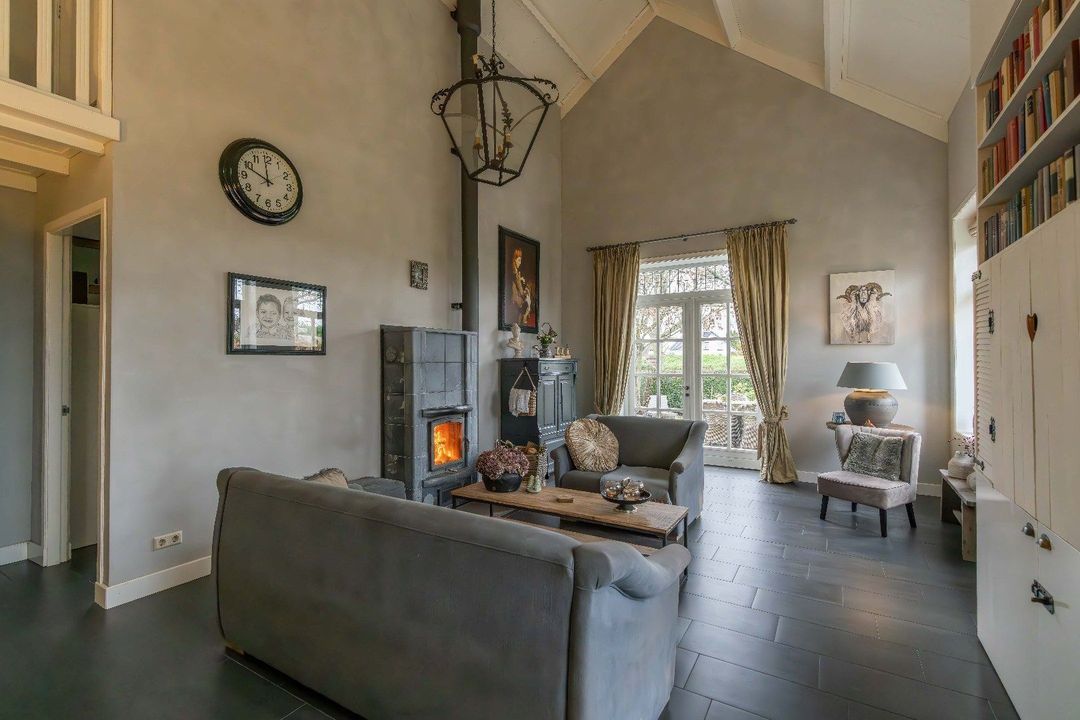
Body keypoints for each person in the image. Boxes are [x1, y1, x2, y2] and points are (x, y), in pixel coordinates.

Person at [510, 248, 533, 326]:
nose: (520, 262)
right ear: (514, 260)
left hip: (516, 303)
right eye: (519, 260)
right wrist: (527, 296)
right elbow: (520, 289)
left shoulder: (515, 273)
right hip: (516, 302)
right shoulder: (515, 273)